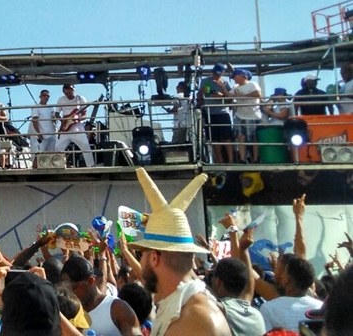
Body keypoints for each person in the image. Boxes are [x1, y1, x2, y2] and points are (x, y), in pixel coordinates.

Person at [130, 167, 231, 336]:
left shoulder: (194, 318)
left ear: (154, 257)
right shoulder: (186, 306)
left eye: (143, 254)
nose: (140, 262)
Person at [61, 256, 142, 336]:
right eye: (66, 289)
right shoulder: (66, 313)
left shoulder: (118, 309)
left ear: (90, 281)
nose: (70, 293)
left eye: (74, 288)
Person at [258, 254, 322, 332]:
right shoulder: (322, 308)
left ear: (287, 279)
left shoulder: (268, 309)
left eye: (284, 273)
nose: (281, 276)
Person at [221, 69, 262, 164]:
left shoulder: (252, 84)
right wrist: (223, 87)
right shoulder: (235, 87)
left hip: (253, 115)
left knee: (255, 138)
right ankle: (242, 159)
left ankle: (255, 159)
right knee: (240, 136)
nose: (234, 79)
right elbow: (229, 97)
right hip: (240, 115)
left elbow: (258, 94)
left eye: (235, 76)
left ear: (242, 75)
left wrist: (243, 96)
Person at [198, 63, 234, 165]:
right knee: (214, 139)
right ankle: (220, 160)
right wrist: (201, 91)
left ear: (223, 73)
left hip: (222, 113)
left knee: (227, 137)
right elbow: (199, 98)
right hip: (209, 113)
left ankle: (231, 160)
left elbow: (229, 100)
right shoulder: (205, 81)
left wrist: (221, 91)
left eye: (218, 73)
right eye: (215, 73)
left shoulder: (225, 83)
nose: (216, 75)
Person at [55, 83, 95, 168]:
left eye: (70, 92)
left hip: (77, 127)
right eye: (66, 93)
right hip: (65, 127)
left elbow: (84, 114)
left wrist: (77, 119)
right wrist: (63, 120)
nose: (68, 95)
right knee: (58, 147)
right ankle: (58, 166)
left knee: (85, 145)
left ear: (74, 89)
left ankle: (91, 166)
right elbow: (56, 113)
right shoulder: (61, 100)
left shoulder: (81, 99)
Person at [30, 89, 57, 162]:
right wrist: (39, 133)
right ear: (40, 96)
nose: (46, 97)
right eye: (44, 95)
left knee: (51, 155)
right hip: (42, 135)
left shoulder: (50, 107)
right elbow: (34, 121)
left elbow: (54, 119)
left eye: (48, 96)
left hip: (52, 134)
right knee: (39, 155)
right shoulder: (36, 107)